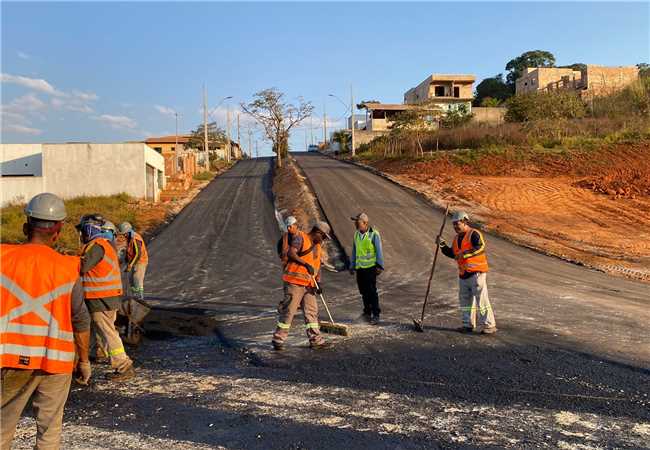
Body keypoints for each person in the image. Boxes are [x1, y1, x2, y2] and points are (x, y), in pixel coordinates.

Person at [1, 193, 92, 449]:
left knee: (2, 428)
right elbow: (80, 319)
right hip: (56, 363)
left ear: (25, 226)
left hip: (10, 361)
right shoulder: (67, 268)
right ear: (58, 231)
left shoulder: (3, 258)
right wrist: (83, 361)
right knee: (49, 432)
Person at [78, 215, 135, 380]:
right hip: (106, 297)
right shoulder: (104, 245)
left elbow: (82, 266)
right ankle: (99, 352)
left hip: (101, 297)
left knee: (107, 331)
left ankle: (123, 365)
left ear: (88, 230)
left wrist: (64, 260)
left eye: (82, 230)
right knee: (102, 329)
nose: (81, 234)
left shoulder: (96, 247)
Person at [272, 221, 333, 350]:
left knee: (312, 312)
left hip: (309, 285)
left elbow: (317, 265)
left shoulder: (317, 245)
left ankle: (316, 340)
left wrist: (318, 282)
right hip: (294, 282)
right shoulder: (301, 238)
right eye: (323, 237)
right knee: (289, 311)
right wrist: (305, 264)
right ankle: (278, 339)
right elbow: (291, 253)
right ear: (318, 232)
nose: (323, 240)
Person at [437, 211, 497, 334]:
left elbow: (480, 247)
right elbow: (453, 254)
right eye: (453, 224)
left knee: (481, 300)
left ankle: (489, 325)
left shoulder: (474, 234)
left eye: (457, 224)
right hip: (463, 274)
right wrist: (442, 245)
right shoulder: (456, 239)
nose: (455, 227)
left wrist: (464, 254)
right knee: (465, 301)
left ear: (465, 222)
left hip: (476, 273)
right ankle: (467, 324)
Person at [349, 213, 384, 325]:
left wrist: (379, 265)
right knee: (363, 291)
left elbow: (379, 250)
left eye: (357, 221)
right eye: (355, 221)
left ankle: (376, 314)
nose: (355, 223)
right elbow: (354, 251)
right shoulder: (356, 235)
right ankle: (367, 313)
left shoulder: (374, 234)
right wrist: (352, 265)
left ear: (365, 223)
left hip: (370, 268)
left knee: (372, 291)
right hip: (360, 268)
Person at [117, 222, 148, 302]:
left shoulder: (135, 238)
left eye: (123, 234)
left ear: (127, 232)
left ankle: (140, 298)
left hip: (140, 262)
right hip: (134, 262)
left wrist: (130, 265)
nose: (123, 235)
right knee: (132, 280)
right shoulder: (130, 237)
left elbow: (137, 253)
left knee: (137, 279)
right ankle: (135, 297)